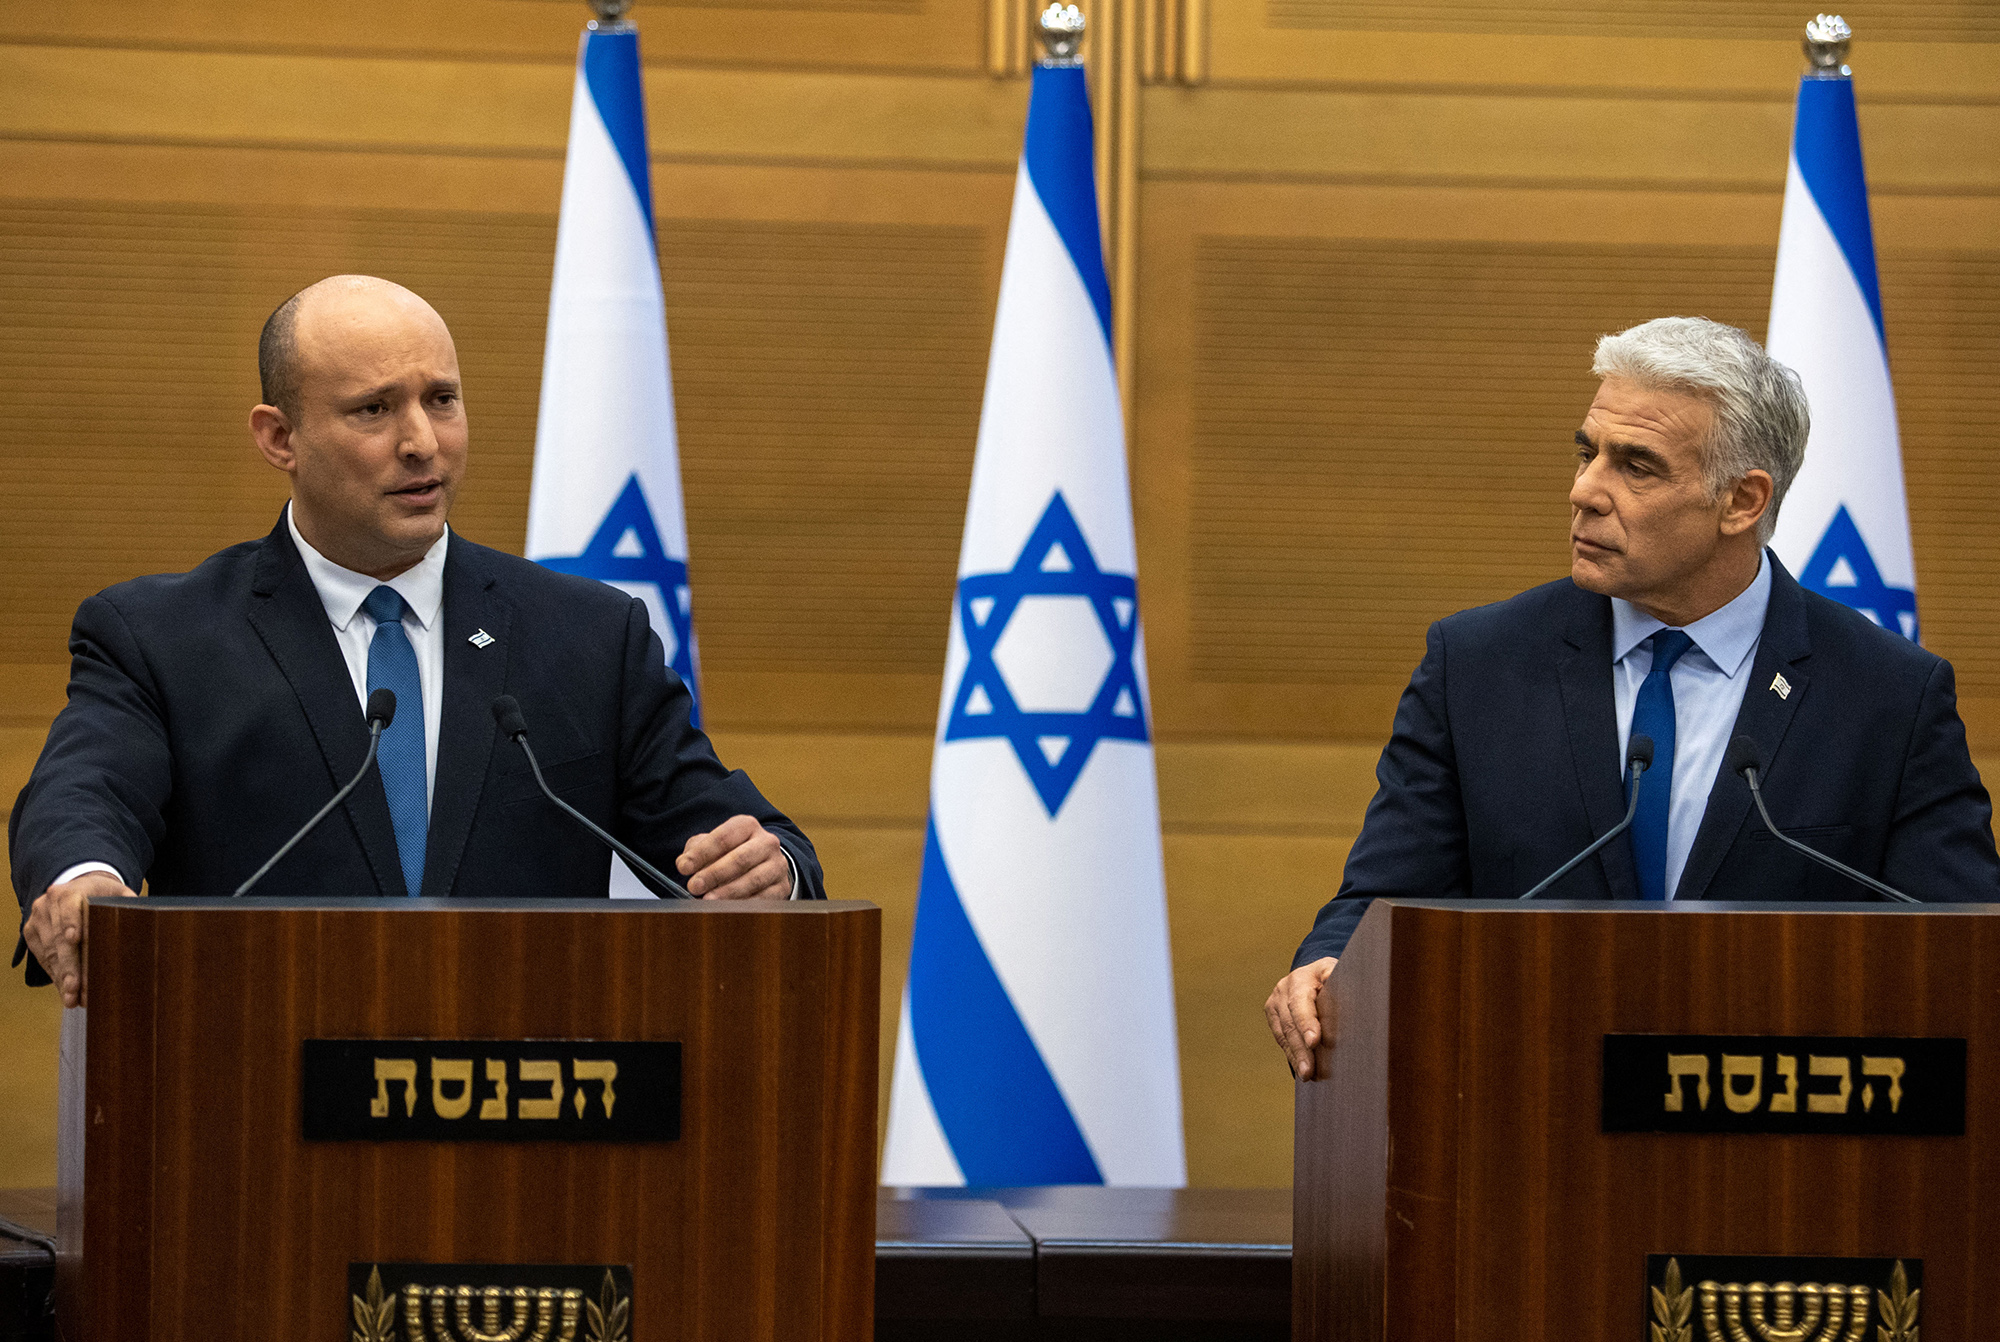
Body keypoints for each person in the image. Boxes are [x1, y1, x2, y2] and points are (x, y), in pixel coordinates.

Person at [12, 275, 824, 1006]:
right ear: (279, 438)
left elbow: (731, 837)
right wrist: (85, 881)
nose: (422, 443)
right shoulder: (162, 636)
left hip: (530, 1112)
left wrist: (771, 870)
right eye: (374, 408)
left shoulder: (588, 635)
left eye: (441, 399)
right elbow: (86, 792)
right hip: (255, 1099)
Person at [1265, 316, 1998, 1081]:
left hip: (1778, 1143)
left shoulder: (1887, 695)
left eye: (1636, 467)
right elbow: (1382, 901)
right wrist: (1325, 967)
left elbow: (1964, 951)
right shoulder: (1478, 666)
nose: (1584, 491)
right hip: (1525, 1109)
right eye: (1588, 453)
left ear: (1742, 502)